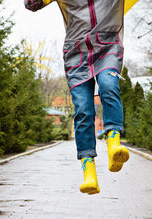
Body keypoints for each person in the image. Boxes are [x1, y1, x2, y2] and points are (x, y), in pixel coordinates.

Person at [25, 0, 131, 195]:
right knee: (83, 109)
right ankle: (88, 170)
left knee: (108, 85)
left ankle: (114, 143)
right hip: (77, 53)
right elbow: (31, 4)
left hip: (108, 46)